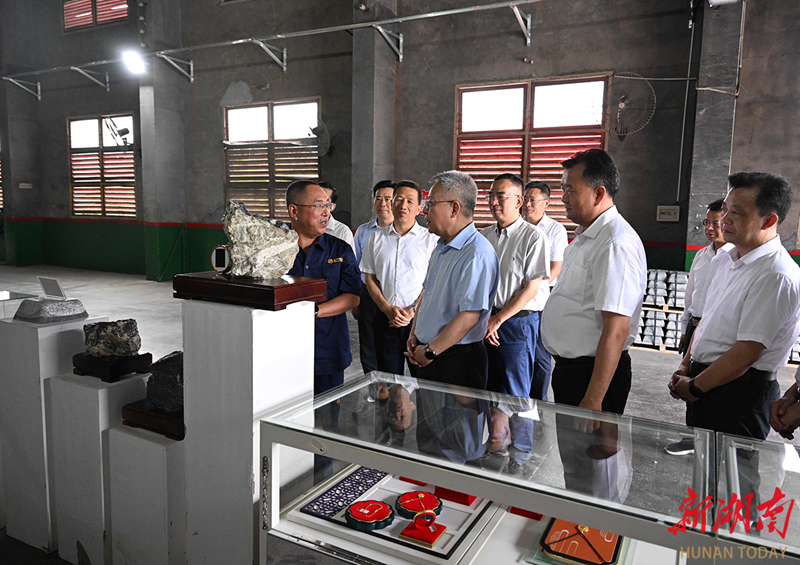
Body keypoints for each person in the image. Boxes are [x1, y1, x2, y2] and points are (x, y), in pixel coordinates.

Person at [540, 149, 646, 502]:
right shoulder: (588, 236)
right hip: (574, 371)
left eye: (571, 190)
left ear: (599, 193)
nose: (563, 198)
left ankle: (598, 529)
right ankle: (578, 525)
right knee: (577, 465)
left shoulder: (615, 242)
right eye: (563, 190)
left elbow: (616, 328)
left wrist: (594, 398)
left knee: (597, 465)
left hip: (594, 375)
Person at [671, 172, 800, 444]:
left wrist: (695, 387)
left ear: (769, 220)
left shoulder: (775, 275)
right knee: (703, 464)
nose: (725, 219)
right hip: (706, 382)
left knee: (734, 468)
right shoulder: (726, 259)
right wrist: (686, 365)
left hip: (740, 393)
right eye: (726, 209)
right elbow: (705, 320)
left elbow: (746, 353)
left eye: (737, 213)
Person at [480, 173, 549, 475]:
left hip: (517, 323)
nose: (494, 202)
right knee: (488, 387)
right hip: (486, 321)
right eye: (491, 196)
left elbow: (531, 288)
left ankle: (520, 454)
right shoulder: (484, 235)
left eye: (501, 196)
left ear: (519, 201)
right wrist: (486, 319)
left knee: (518, 391)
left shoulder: (533, 237)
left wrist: (498, 319)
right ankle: (496, 441)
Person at [405, 170, 499, 390]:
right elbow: (426, 294)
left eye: (430, 204)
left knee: (457, 413)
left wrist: (430, 351)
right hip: (429, 352)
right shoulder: (441, 246)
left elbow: (468, 317)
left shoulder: (477, 254)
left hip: (456, 358)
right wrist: (414, 333)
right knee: (428, 412)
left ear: (454, 208)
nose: (424, 211)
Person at [665, 198, 733, 456]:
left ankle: (711, 439)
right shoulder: (702, 256)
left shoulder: (733, 258)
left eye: (715, 223)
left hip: (715, 329)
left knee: (708, 382)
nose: (710, 228)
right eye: (706, 222)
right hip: (695, 327)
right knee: (686, 379)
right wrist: (685, 329)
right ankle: (692, 435)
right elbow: (690, 295)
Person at [286, 180, 361, 395]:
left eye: (328, 206)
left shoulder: (340, 249)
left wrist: (315, 312)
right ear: (294, 211)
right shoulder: (273, 252)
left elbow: (353, 296)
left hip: (329, 350)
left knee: (327, 413)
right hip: (285, 350)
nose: (326, 213)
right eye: (319, 206)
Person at [360, 180, 438, 375]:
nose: (403, 205)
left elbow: (434, 282)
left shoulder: (431, 240)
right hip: (387, 319)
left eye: (410, 201)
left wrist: (413, 310)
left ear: (419, 208)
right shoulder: (376, 238)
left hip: (420, 321)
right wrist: (387, 309)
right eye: (398, 199)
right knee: (388, 377)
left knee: (423, 377)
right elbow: (370, 278)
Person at [523, 180, 569, 401]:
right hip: (517, 298)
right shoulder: (517, 227)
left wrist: (532, 290)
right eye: (525, 199)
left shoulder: (555, 230)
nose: (527, 205)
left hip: (543, 298)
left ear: (546, 203)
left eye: (533, 200)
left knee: (540, 354)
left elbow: (555, 268)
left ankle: (539, 401)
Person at [353, 180, 395, 382]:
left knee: (391, 348)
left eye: (388, 199)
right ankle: (374, 387)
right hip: (367, 295)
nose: (383, 203)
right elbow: (355, 267)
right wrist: (356, 301)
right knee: (368, 345)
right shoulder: (363, 231)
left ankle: (393, 389)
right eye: (378, 198)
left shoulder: (404, 232)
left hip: (393, 296)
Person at [318, 181, 356, 252]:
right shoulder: (300, 227)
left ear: (332, 207)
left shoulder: (342, 232)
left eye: (325, 204)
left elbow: (348, 258)